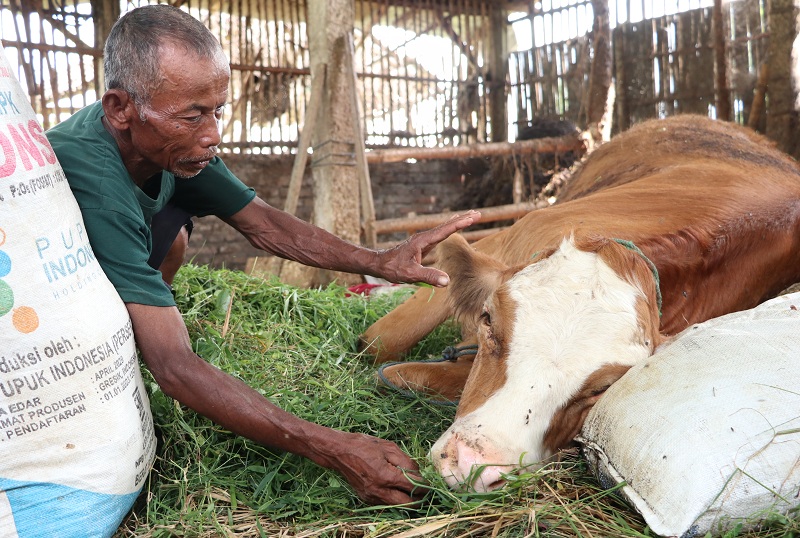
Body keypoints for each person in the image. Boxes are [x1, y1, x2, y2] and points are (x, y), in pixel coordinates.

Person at [46, 4, 479, 506]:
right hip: (54, 311)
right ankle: (132, 335)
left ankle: (142, 314)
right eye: (192, 115)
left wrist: (378, 262)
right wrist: (336, 448)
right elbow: (175, 368)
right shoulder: (97, 182)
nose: (213, 134)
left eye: (217, 111)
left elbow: (266, 225)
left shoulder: (176, 145)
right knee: (157, 341)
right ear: (120, 108)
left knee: (175, 233)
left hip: (123, 242)